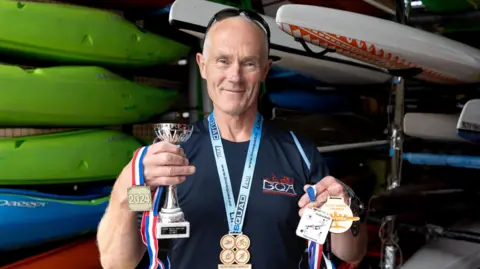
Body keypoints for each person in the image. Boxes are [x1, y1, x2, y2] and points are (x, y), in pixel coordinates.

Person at [96, 8, 368, 269]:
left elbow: (351, 252)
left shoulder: (300, 153)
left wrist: (345, 211)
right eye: (222, 60)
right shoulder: (166, 155)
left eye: (249, 63)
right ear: (203, 65)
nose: (234, 76)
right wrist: (127, 188)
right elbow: (118, 262)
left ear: (265, 70)